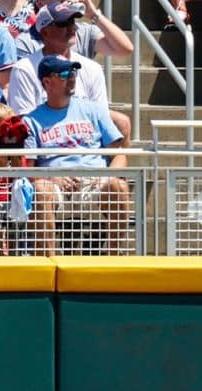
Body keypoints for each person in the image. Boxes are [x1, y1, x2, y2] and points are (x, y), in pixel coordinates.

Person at [23, 55, 132, 255]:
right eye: (65, 74)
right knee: (39, 188)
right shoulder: (31, 120)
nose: (72, 77)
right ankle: (48, 263)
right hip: (54, 184)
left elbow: (120, 154)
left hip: (94, 182)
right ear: (47, 82)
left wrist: (106, 177)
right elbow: (28, 167)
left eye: (73, 73)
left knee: (118, 185)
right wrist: (51, 177)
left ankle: (113, 259)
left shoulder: (93, 109)